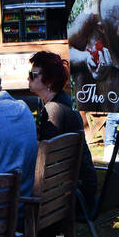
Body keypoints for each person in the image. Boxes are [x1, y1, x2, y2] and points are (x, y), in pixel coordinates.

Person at [28, 50, 97, 210]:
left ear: (49, 81)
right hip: (77, 186)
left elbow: (44, 158)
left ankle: (56, 236)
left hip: (72, 194)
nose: (28, 77)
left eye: (33, 74)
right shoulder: (62, 102)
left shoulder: (54, 110)